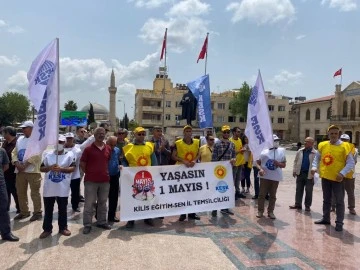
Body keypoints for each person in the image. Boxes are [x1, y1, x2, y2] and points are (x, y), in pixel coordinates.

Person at [311, 125, 355, 232]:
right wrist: (313, 167)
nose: (334, 135)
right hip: (325, 177)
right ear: (328, 134)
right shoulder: (323, 145)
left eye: (336, 133)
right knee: (326, 199)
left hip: (338, 179)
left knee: (339, 201)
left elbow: (351, 163)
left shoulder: (346, 146)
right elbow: (317, 157)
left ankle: (339, 222)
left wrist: (342, 173)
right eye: (332, 133)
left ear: (339, 134)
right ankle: (326, 218)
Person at [39, 135, 75, 239]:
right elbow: (41, 168)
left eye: (61, 142)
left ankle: (63, 227)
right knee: (48, 209)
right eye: (57, 141)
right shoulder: (47, 154)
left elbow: (73, 168)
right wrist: (49, 168)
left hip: (62, 188)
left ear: (64, 143)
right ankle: (47, 229)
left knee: (62, 209)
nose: (59, 144)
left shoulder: (69, 154)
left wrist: (61, 169)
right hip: (49, 188)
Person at [122, 127, 158, 228]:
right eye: (139, 134)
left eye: (143, 134)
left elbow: (154, 161)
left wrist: (155, 172)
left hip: (147, 177)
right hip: (133, 178)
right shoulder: (128, 147)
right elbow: (124, 161)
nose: (141, 136)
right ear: (134, 135)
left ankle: (147, 217)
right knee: (132, 198)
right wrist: (124, 168)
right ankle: (131, 219)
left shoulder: (150, 146)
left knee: (148, 197)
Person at [80, 127, 112, 234]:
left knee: (103, 202)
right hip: (91, 181)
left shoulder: (108, 148)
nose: (101, 135)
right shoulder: (88, 149)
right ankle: (87, 224)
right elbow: (82, 164)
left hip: (104, 181)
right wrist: (90, 172)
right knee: (89, 203)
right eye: (99, 133)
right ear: (94, 135)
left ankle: (102, 222)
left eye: (103, 133)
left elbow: (108, 162)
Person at [11, 121, 42, 221]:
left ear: (32, 128)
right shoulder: (20, 139)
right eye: (22, 128)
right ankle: (24, 212)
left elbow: (37, 154)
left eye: (25, 128)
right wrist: (16, 162)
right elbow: (14, 152)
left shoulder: (38, 140)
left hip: (33, 171)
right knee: (20, 192)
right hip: (20, 171)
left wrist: (26, 164)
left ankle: (37, 213)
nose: (23, 129)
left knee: (34, 193)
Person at [172, 125, 201, 221]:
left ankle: (192, 213)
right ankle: (182, 213)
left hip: (192, 169)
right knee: (182, 192)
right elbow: (173, 156)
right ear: (183, 133)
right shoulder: (178, 143)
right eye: (186, 131)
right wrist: (182, 161)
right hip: (181, 170)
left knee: (192, 192)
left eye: (190, 131)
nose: (188, 133)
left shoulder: (197, 142)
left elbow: (199, 154)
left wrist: (195, 160)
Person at [256, 134, 286, 219]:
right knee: (262, 195)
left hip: (275, 177)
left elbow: (284, 165)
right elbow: (257, 163)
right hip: (265, 177)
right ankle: (260, 211)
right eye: (274, 141)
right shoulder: (263, 151)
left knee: (273, 195)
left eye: (277, 141)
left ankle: (271, 212)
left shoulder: (281, 151)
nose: (276, 143)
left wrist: (278, 164)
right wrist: (260, 169)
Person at [211, 125, 236, 217]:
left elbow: (234, 156)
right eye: (224, 132)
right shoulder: (217, 144)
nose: (226, 134)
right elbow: (213, 158)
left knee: (226, 189)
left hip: (228, 172)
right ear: (222, 133)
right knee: (216, 189)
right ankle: (214, 208)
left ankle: (224, 208)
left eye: (227, 132)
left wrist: (233, 160)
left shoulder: (232, 144)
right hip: (218, 172)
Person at [330, 134, 357, 215]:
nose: (344, 141)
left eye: (345, 140)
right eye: (342, 139)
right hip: (338, 173)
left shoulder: (354, 150)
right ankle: (333, 206)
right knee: (335, 191)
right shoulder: (336, 148)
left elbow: (354, 162)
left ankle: (351, 208)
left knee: (350, 192)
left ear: (349, 141)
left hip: (349, 175)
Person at [289, 137, 317, 212]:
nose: (305, 143)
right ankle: (297, 204)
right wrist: (294, 170)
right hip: (300, 173)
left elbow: (317, 164)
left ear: (312, 143)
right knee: (298, 190)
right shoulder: (300, 151)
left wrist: (315, 174)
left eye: (307, 142)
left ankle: (307, 206)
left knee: (309, 191)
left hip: (309, 175)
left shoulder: (315, 153)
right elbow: (295, 161)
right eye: (305, 141)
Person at [0, 147, 19, 241]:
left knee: (3, 207)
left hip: (0, 183)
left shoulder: (2, 151)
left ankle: (6, 233)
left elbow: (6, 166)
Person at [2, 126, 20, 213]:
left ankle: (20, 208)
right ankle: (6, 207)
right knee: (5, 191)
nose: (2, 134)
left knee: (15, 190)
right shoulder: (5, 143)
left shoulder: (17, 142)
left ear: (8, 133)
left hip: (14, 171)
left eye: (4, 132)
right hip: (5, 171)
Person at [64, 132, 82, 212]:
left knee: (75, 192)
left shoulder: (78, 149)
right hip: (64, 175)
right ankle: (63, 205)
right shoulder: (61, 149)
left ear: (73, 139)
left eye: (70, 138)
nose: (69, 140)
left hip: (75, 175)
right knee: (64, 192)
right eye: (67, 138)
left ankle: (75, 206)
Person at [106, 136, 121, 222]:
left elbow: (118, 160)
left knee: (114, 197)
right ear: (107, 143)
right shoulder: (103, 150)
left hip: (115, 176)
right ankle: (99, 215)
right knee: (102, 198)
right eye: (110, 145)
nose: (112, 147)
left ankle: (112, 216)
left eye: (114, 145)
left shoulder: (117, 150)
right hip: (105, 176)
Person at [229, 127, 246, 199]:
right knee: (233, 179)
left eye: (240, 132)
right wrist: (240, 151)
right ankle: (231, 194)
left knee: (238, 179)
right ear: (234, 132)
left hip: (239, 163)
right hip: (234, 164)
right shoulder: (230, 141)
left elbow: (240, 150)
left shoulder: (239, 140)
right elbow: (230, 153)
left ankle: (237, 192)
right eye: (238, 131)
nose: (239, 133)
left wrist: (242, 163)